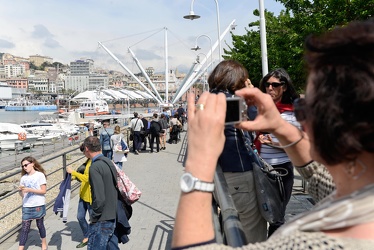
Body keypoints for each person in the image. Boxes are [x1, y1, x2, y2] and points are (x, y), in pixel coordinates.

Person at [172, 19, 374, 249]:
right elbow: (325, 182)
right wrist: (281, 127)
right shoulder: (362, 192)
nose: (300, 120)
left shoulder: (315, 243)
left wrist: (197, 165)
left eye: (304, 108)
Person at [208, 59, 267, 243]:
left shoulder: (208, 99)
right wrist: (253, 93)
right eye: (244, 80)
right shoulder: (231, 101)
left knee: (231, 224)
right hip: (238, 173)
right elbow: (258, 122)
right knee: (251, 230)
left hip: (218, 172)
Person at [257, 68, 300, 236]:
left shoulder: (292, 112)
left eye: (275, 85)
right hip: (260, 167)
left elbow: (296, 144)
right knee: (260, 213)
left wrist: (272, 142)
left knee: (278, 216)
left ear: (284, 87)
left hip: (281, 170)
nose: (270, 88)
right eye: (267, 84)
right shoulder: (260, 109)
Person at [83, 136, 119, 250]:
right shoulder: (108, 161)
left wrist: (94, 215)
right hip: (112, 214)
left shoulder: (95, 167)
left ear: (87, 148)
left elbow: (99, 197)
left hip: (102, 219)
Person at [18, 156, 47, 250]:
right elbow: (22, 195)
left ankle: (44, 243)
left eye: (26, 165)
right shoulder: (23, 178)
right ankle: (20, 248)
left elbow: (43, 191)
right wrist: (20, 191)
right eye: (23, 166)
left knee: (40, 225)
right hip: (26, 205)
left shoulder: (40, 175)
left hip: (38, 204)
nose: (24, 167)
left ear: (33, 164)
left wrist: (30, 189)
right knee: (25, 228)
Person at [66, 144, 92, 248]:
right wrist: (72, 177)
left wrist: (73, 172)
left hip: (91, 196)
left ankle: (90, 237)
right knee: (80, 217)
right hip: (83, 194)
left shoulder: (94, 162)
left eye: (84, 152)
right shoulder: (88, 161)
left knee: (92, 219)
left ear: (88, 150)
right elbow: (82, 174)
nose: (83, 154)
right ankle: (87, 234)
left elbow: (87, 178)